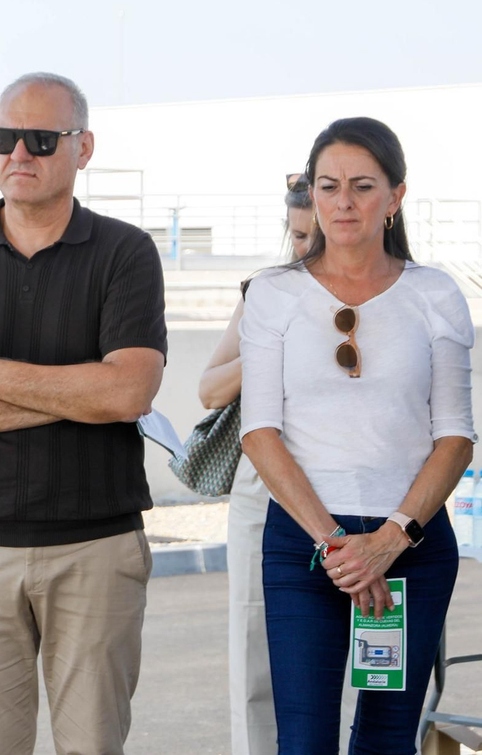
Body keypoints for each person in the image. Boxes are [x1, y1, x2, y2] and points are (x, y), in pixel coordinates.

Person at [0, 72, 168, 755]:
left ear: (83, 148)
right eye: (4, 137)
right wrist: (83, 394)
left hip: (96, 549)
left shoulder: (125, 253)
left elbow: (129, 395)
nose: (19, 153)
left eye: (41, 140)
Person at [240, 117, 475, 752]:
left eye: (363, 185)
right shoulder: (272, 293)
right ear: (311, 195)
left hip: (412, 547)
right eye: (329, 185)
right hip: (304, 545)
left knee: (387, 740)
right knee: (305, 741)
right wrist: (341, 546)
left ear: (395, 197)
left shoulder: (437, 294)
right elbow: (259, 432)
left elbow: (455, 437)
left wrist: (389, 541)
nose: (344, 202)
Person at [198, 175, 315, 755]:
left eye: (315, 235)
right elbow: (209, 389)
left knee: (356, 655)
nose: (306, 249)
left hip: (350, 488)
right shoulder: (263, 291)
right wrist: (268, 344)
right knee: (255, 644)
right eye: (297, 236)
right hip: (261, 490)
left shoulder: (383, 292)